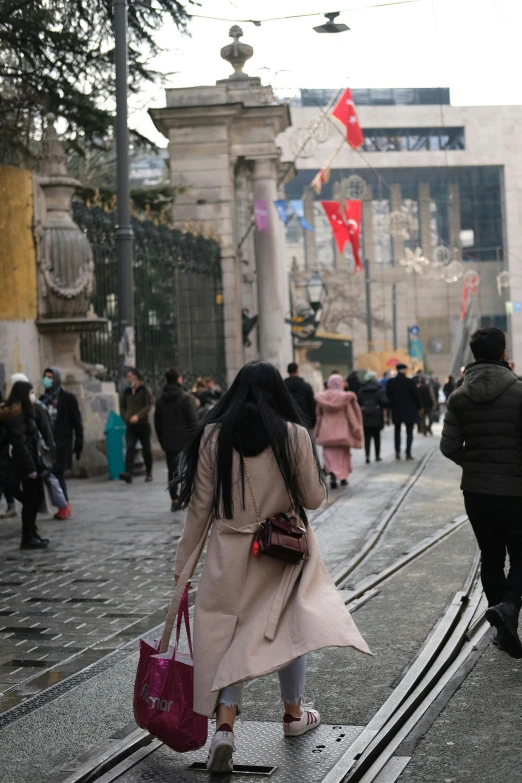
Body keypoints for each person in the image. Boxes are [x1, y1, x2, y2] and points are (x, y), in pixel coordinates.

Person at [173, 361, 370, 772]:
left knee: (229, 635)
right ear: (279, 392)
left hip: (227, 555)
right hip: (279, 552)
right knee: (287, 627)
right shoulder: (293, 434)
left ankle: (224, 728)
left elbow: (199, 508)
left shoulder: (213, 435)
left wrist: (184, 565)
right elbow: (314, 498)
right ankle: (294, 714)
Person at [440, 327, 522, 659]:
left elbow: (448, 447)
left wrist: (474, 465)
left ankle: (502, 625)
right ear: (503, 353)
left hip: (475, 491)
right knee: (520, 555)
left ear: (473, 355)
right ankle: (510, 606)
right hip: (516, 491)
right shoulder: (519, 392)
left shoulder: (458, 396)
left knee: (490, 557)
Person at [2, 381, 53, 549]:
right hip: (25, 464)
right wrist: (30, 468)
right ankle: (27, 537)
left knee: (35, 498)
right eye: (30, 391)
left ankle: (32, 532)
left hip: (32, 460)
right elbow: (20, 444)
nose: (33, 394)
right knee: (30, 500)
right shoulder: (15, 415)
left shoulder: (26, 411)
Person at [40, 367, 83, 519]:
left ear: (57, 379)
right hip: (46, 444)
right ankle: (60, 504)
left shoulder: (67, 398)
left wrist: (79, 442)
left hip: (61, 443)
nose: (47, 380)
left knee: (57, 473)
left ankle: (64, 505)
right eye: (45, 377)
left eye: (50, 377)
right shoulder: (41, 399)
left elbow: (77, 422)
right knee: (49, 475)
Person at [154, 368, 198, 511]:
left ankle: (175, 498)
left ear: (166, 380)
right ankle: (189, 497)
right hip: (185, 440)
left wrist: (162, 440)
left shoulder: (160, 400)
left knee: (172, 470)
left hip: (168, 441)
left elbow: (157, 423)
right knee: (189, 469)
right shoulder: (185, 398)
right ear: (179, 379)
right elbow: (192, 421)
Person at [314, 374, 363, 489]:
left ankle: (332, 476)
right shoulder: (345, 397)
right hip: (342, 433)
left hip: (326, 432)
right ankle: (343, 477)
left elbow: (318, 414)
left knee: (329, 456)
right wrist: (356, 429)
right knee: (343, 455)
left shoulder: (322, 397)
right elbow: (351, 415)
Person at [120, 368, 153, 484]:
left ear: (136, 377)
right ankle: (128, 472)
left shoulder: (144, 390)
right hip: (131, 425)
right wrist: (126, 417)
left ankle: (149, 472)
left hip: (143, 424)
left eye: (130, 377)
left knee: (146, 449)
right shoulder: (127, 391)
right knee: (130, 448)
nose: (128, 380)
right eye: (127, 377)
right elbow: (123, 406)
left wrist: (138, 416)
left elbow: (148, 406)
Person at [386, 363, 421, 461]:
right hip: (409, 410)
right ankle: (408, 453)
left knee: (397, 431)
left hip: (396, 409)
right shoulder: (409, 382)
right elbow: (416, 396)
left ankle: (397, 451)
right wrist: (419, 407)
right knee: (409, 431)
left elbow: (388, 396)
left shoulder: (391, 382)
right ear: (405, 370)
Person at [358, 371, 388, 464]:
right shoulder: (379, 389)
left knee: (367, 437)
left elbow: (358, 402)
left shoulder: (361, 390)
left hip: (365, 416)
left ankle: (367, 455)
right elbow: (385, 401)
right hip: (376, 415)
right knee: (377, 436)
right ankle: (377, 455)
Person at [284, 362, 317, 431]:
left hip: (287, 422)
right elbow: (312, 405)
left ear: (288, 371)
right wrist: (313, 422)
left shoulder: (282, 386)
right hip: (305, 422)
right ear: (297, 370)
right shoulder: (306, 386)